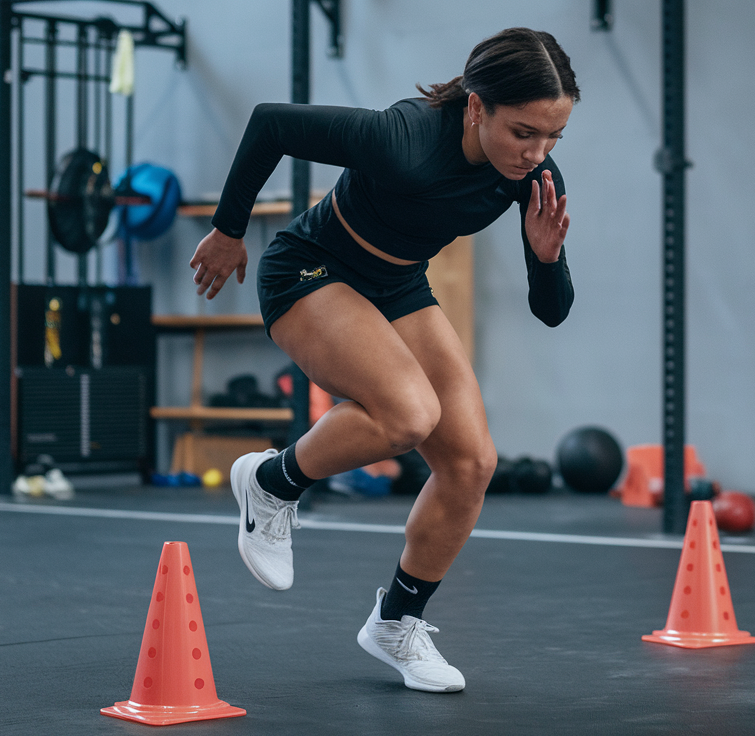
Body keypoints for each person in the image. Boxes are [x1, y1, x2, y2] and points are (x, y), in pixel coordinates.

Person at [189, 27, 579, 693]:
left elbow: (551, 311)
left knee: (470, 463)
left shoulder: (531, 177)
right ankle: (272, 484)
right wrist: (229, 229)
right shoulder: (404, 137)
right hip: (310, 271)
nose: (536, 153)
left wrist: (547, 260)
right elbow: (271, 124)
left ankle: (395, 625)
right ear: (477, 106)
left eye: (552, 137)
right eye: (523, 132)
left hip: (397, 284)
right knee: (408, 415)